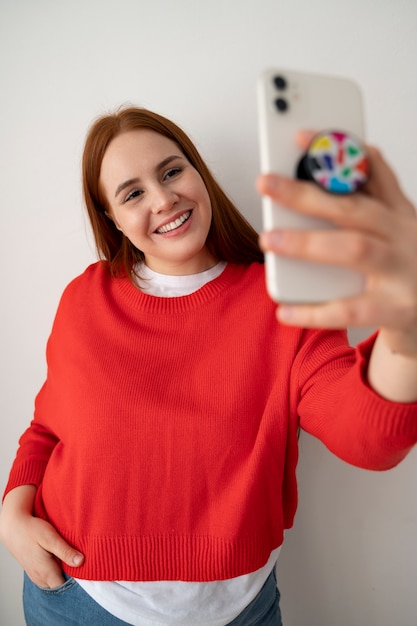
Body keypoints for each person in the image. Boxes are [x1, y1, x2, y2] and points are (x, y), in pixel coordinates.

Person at [1, 106, 417, 626]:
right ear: (112, 218)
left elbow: (368, 436)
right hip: (77, 601)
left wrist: (409, 331)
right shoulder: (85, 298)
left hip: (240, 611)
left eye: (172, 170)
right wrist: (12, 512)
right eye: (132, 193)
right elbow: (47, 427)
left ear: (198, 173)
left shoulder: (284, 300)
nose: (163, 198)